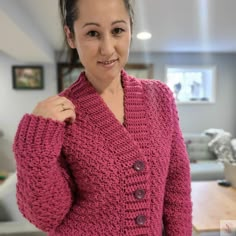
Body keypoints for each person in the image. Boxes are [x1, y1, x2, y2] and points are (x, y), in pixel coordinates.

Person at [13, 0, 192, 235]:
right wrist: (34, 141)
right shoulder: (59, 118)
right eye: (92, 33)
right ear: (71, 36)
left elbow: (176, 184)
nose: (107, 49)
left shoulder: (159, 97)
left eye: (117, 30)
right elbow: (46, 216)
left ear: (130, 28)